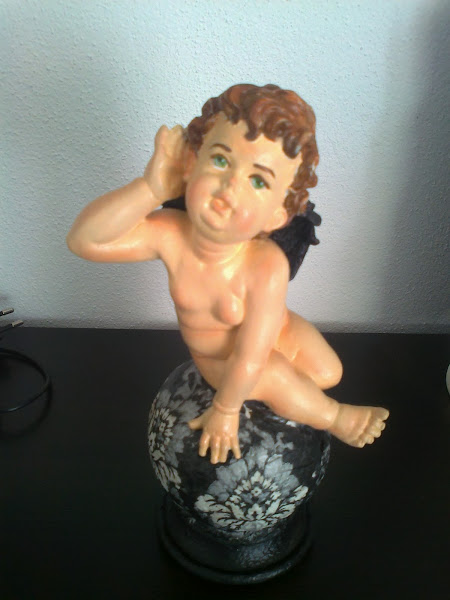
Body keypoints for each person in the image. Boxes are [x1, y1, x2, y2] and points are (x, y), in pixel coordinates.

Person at [67, 84, 389, 465]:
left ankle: (288, 395)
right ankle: (336, 417)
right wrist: (151, 188)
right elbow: (84, 240)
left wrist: (254, 380)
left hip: (274, 333)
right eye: (221, 160)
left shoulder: (267, 264)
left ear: (278, 214)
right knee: (273, 374)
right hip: (218, 359)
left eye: (258, 181)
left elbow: (256, 345)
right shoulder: (171, 235)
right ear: (191, 163)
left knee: (329, 371)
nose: (231, 186)